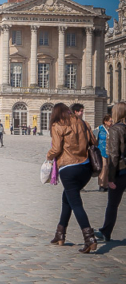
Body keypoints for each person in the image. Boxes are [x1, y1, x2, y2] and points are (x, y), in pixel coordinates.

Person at [47, 103, 97, 254]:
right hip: (86, 168)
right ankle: (60, 234)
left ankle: (89, 238)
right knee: (67, 198)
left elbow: (56, 149)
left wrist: (48, 156)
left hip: (69, 168)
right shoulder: (82, 122)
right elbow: (93, 142)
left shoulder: (57, 125)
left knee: (76, 204)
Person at [99, 102, 126, 242]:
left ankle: (106, 231)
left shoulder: (115, 130)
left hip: (120, 172)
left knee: (112, 204)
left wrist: (110, 178)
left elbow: (114, 155)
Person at [94, 114, 112, 192]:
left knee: (109, 168)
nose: (111, 123)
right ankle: (101, 185)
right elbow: (93, 138)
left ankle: (106, 184)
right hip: (101, 151)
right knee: (103, 167)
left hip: (110, 152)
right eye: (110, 121)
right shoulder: (99, 129)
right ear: (105, 121)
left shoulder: (113, 129)